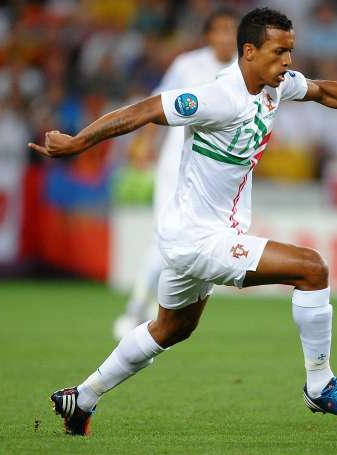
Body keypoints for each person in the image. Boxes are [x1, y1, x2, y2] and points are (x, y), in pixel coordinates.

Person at [29, 7, 337, 435]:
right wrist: (78, 143)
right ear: (249, 51)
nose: (288, 61)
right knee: (312, 269)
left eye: (290, 51)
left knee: (170, 329)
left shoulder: (275, 85)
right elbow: (146, 110)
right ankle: (320, 384)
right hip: (197, 239)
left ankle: (83, 397)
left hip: (200, 235)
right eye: (279, 52)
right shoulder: (218, 97)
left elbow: (325, 92)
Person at [113, 7, 238, 341]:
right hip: (176, 164)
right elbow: (157, 103)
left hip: (218, 170)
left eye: (232, 30)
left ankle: (158, 310)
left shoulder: (244, 70)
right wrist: (145, 143)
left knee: (196, 240)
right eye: (221, 30)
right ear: (209, 35)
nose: (227, 37)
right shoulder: (187, 65)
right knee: (167, 234)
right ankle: (137, 307)